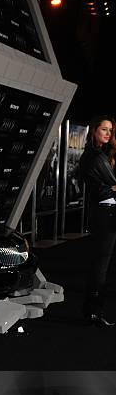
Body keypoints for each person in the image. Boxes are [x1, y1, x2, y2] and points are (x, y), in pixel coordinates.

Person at [79, 115, 116, 326]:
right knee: (100, 266)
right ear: (94, 130)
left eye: (110, 131)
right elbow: (99, 190)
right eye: (104, 129)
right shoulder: (93, 156)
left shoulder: (99, 155)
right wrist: (110, 188)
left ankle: (92, 311)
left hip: (107, 213)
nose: (108, 134)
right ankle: (93, 312)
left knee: (101, 265)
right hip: (104, 214)